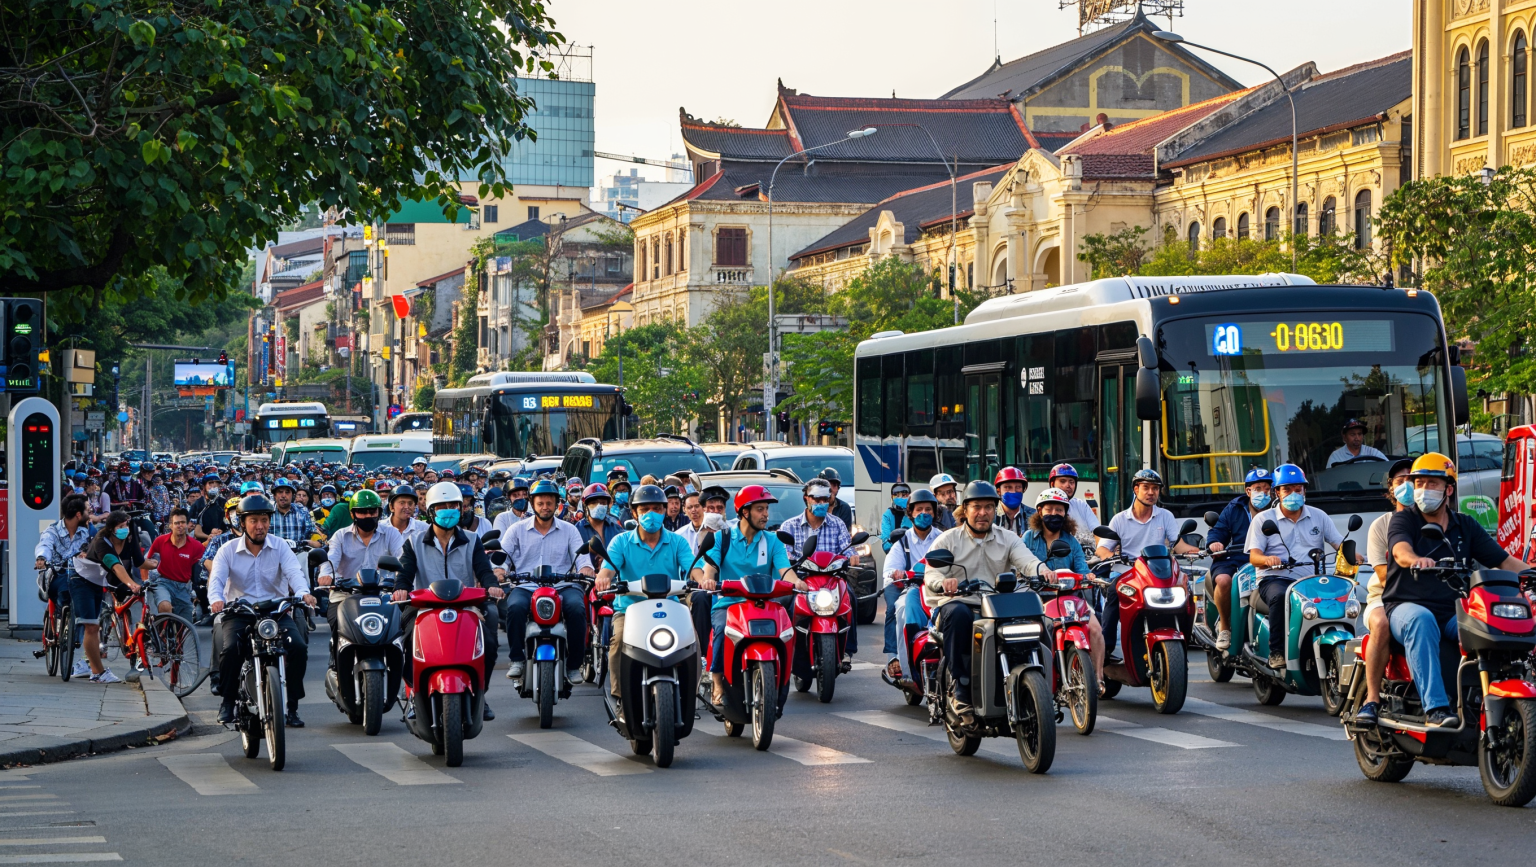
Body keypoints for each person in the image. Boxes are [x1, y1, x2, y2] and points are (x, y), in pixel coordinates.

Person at [1381, 453, 1529, 727]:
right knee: (1421, 620)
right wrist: (1416, 560)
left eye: (1432, 483)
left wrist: (1531, 571)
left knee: (1490, 624)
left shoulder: (1466, 525)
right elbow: (1401, 551)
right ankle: (1436, 709)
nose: (1424, 489)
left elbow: (1504, 561)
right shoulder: (1405, 521)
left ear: (1448, 489)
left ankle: (1483, 699)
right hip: (1405, 606)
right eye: (1419, 482)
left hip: (1452, 609)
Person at [922, 481, 1058, 725]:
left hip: (998, 608)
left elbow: (1027, 560)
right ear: (965, 509)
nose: (982, 512)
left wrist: (1042, 569)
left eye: (988, 507)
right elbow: (931, 573)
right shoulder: (948, 540)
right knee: (959, 614)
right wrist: (944, 583)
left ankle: (1047, 687)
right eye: (976, 506)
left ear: (995, 510)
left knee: (1041, 619)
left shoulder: (1008, 538)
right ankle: (961, 688)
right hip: (958, 603)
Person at [389, 482, 504, 721]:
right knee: (405, 643)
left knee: (489, 641)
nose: (449, 510)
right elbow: (405, 573)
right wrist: (400, 589)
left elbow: (484, 570)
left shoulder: (473, 540)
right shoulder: (414, 542)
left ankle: (480, 693)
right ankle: (414, 694)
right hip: (423, 606)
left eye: (453, 505)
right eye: (442, 506)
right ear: (430, 511)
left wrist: (492, 585)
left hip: (465, 605)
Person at [206, 495, 317, 725]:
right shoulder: (227, 550)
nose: (260, 526)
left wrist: (303, 593)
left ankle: (293, 705)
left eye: (264, 520)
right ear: (243, 523)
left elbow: (294, 573)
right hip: (239, 612)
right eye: (254, 520)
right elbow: (216, 581)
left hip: (274, 612)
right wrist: (216, 600)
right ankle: (227, 701)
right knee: (230, 649)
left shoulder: (280, 546)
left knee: (297, 647)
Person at [690, 484, 801, 708]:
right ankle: (718, 680)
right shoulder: (722, 538)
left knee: (786, 633)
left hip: (764, 603)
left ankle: (782, 679)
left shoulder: (773, 540)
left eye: (766, 509)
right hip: (729, 604)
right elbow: (710, 568)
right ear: (744, 512)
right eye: (760, 509)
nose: (766, 515)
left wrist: (797, 582)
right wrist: (709, 579)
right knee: (721, 630)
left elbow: (785, 571)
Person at [592, 485, 697, 701]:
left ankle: (690, 695)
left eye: (657, 509)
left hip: (670, 608)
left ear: (665, 511)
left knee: (692, 643)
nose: (651, 514)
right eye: (645, 509)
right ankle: (619, 697)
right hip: (629, 611)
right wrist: (604, 577)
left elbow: (694, 567)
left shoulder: (677, 542)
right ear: (634, 513)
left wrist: (703, 578)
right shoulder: (621, 542)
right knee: (618, 643)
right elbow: (609, 568)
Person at [1244, 463, 1350, 670]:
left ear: (1304, 491)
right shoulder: (1264, 520)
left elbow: (1339, 544)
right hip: (1276, 579)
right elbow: (1254, 557)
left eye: (1298, 489)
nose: (1294, 493)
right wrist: (1269, 560)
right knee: (1280, 597)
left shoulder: (1319, 516)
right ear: (1277, 492)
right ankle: (1276, 651)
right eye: (1287, 489)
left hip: (1312, 581)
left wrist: (1354, 554)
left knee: (1343, 597)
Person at [1095, 469, 1196, 657]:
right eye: (1146, 488)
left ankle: (1185, 635)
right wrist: (1109, 555)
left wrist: (1195, 551)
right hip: (1127, 572)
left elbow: (1177, 544)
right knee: (1113, 592)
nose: (1151, 493)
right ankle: (1106, 647)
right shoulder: (1119, 519)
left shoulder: (1165, 516)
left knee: (1185, 591)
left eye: (1155, 489)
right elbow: (1101, 549)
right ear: (1136, 489)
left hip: (1156, 572)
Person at [499, 479, 589, 687]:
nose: (545, 507)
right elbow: (502, 556)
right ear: (532, 503)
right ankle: (517, 659)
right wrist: (499, 570)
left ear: (557, 503)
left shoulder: (570, 530)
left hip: (563, 586)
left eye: (549, 503)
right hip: (526, 586)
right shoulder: (516, 530)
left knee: (577, 608)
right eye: (540, 503)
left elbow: (582, 559)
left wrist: (585, 569)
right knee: (514, 608)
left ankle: (575, 665)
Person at [1024, 488, 1104, 689]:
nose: (1053, 513)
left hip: (1070, 597)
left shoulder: (1071, 541)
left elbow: (1082, 568)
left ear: (1065, 513)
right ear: (1039, 512)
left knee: (1095, 629)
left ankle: (1098, 678)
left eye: (1059, 510)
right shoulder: (1027, 538)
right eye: (1049, 509)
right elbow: (1019, 564)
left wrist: (1089, 576)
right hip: (1037, 600)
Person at [317, 488, 404, 665]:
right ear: (353, 514)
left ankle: (399, 669)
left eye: (372, 511)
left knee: (400, 625)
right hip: (345, 594)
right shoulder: (340, 536)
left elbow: (402, 560)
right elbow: (330, 559)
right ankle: (337, 661)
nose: (367, 516)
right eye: (362, 512)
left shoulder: (392, 534)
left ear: (380, 512)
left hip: (383, 595)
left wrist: (401, 579)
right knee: (336, 622)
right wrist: (326, 575)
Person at [780, 479, 861, 669]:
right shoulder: (789, 526)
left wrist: (853, 556)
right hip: (801, 580)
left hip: (832, 580)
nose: (821, 503)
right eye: (817, 499)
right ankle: (789, 653)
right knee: (787, 604)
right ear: (806, 499)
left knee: (851, 598)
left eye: (826, 499)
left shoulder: (837, 524)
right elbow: (785, 554)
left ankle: (848, 650)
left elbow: (846, 549)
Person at [1357, 459, 1413, 724]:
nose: (1407, 485)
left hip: (1427, 596)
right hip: (1385, 597)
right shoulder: (1381, 525)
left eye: (1412, 480)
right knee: (1380, 624)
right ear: (1390, 489)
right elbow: (1382, 575)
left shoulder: (1436, 521)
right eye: (1400, 481)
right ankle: (1372, 699)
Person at [71, 511, 147, 684]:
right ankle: (97, 673)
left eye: (126, 526)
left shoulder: (128, 538)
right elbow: (115, 565)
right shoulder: (101, 542)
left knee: (96, 623)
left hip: (99, 581)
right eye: (120, 527)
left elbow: (139, 561)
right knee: (91, 626)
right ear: (111, 529)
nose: (125, 529)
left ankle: (93, 664)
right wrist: (132, 584)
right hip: (83, 580)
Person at [1205, 468, 1273, 650]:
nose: (1263, 493)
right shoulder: (1234, 508)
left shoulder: (1278, 510)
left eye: (1267, 488)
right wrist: (1215, 544)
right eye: (1258, 488)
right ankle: (1225, 627)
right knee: (1224, 580)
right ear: (1248, 491)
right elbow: (1218, 531)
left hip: (1268, 561)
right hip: (1235, 559)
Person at [883, 489, 939, 677]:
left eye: (929, 510)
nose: (924, 513)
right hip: (911, 589)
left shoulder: (943, 538)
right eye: (919, 509)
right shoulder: (902, 541)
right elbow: (888, 571)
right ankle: (901, 661)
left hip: (938, 590)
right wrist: (897, 574)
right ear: (911, 514)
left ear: (935, 513)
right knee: (900, 610)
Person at [35, 495, 93, 678]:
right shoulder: (52, 531)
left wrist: (88, 556)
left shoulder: (86, 533)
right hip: (57, 575)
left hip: (79, 576)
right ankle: (60, 620)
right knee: (64, 588)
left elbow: (93, 549)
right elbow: (44, 545)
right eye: (87, 509)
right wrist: (42, 559)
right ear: (78, 514)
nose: (90, 512)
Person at [143, 509, 206, 622]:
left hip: (184, 588)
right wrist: (145, 584)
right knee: (165, 606)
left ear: (187, 525)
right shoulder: (160, 541)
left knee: (186, 626)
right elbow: (145, 563)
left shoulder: (197, 546)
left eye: (182, 522)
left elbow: (200, 571)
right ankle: (163, 635)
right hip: (163, 583)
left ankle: (174, 637)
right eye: (176, 523)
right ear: (170, 525)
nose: (180, 526)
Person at [1046, 464, 1099, 548]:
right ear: (1052, 483)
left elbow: (1097, 532)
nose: (1068, 485)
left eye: (1071, 482)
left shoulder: (1081, 505)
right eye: (1063, 481)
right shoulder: (1044, 507)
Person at [268, 479, 321, 546]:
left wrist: (307, 542)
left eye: (287, 492)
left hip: (298, 554)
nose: (283, 495)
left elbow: (314, 533)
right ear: (274, 495)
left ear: (292, 495)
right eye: (280, 492)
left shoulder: (302, 512)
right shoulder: (267, 513)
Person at [573, 483, 624, 551]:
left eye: (603, 503)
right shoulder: (577, 530)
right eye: (594, 503)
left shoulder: (615, 527)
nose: (599, 506)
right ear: (585, 507)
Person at [994, 467, 1034, 534]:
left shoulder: (1034, 516)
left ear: (1023, 489)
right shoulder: (990, 516)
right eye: (1008, 487)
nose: (1013, 491)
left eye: (1018, 487)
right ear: (998, 491)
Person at [878, 482, 913, 552]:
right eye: (897, 495)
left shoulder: (914, 513)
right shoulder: (887, 515)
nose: (900, 498)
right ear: (892, 497)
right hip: (894, 552)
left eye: (904, 495)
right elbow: (886, 543)